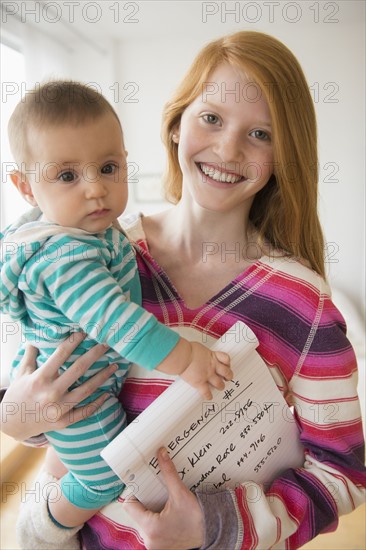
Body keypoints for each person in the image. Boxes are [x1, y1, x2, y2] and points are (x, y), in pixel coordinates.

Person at [1, 30, 365, 549]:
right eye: (211, 118)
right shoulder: (99, 259)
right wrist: (14, 418)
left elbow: (342, 475)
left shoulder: (304, 306)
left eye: (260, 134)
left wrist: (212, 526)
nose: (227, 148)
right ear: (177, 124)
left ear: (284, 154)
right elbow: (52, 381)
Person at [0, 81, 232, 544]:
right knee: (105, 477)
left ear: (126, 161)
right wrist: (187, 359)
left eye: (108, 168)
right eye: (67, 176)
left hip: (76, 382)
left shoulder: (90, 232)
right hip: (80, 397)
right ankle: (43, 533)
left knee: (82, 461)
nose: (95, 189)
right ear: (26, 188)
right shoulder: (66, 256)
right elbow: (116, 322)